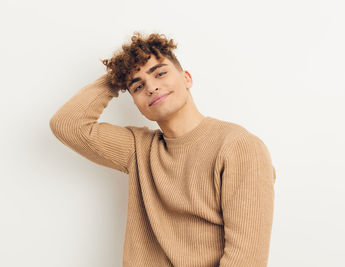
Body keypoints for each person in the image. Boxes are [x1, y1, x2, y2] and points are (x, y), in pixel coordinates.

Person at [49, 31, 277, 267]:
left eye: (159, 73)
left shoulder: (239, 147)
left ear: (186, 78)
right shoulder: (138, 149)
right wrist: (118, 76)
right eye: (137, 86)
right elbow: (68, 125)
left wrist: (131, 71)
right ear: (135, 102)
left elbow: (246, 260)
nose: (151, 87)